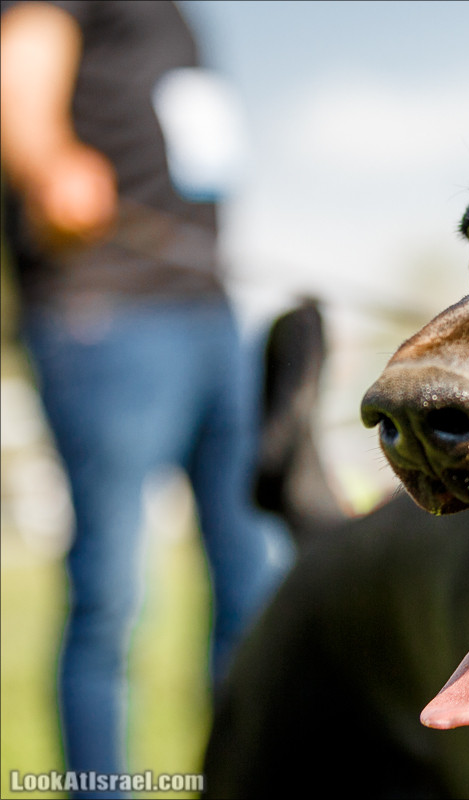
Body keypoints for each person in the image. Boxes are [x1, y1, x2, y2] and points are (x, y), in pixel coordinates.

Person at [0, 2, 282, 794]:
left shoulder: (180, 17)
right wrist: (47, 159)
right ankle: (99, 790)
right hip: (106, 305)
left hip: (208, 306)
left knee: (253, 575)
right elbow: (18, 71)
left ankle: (241, 775)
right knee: (111, 593)